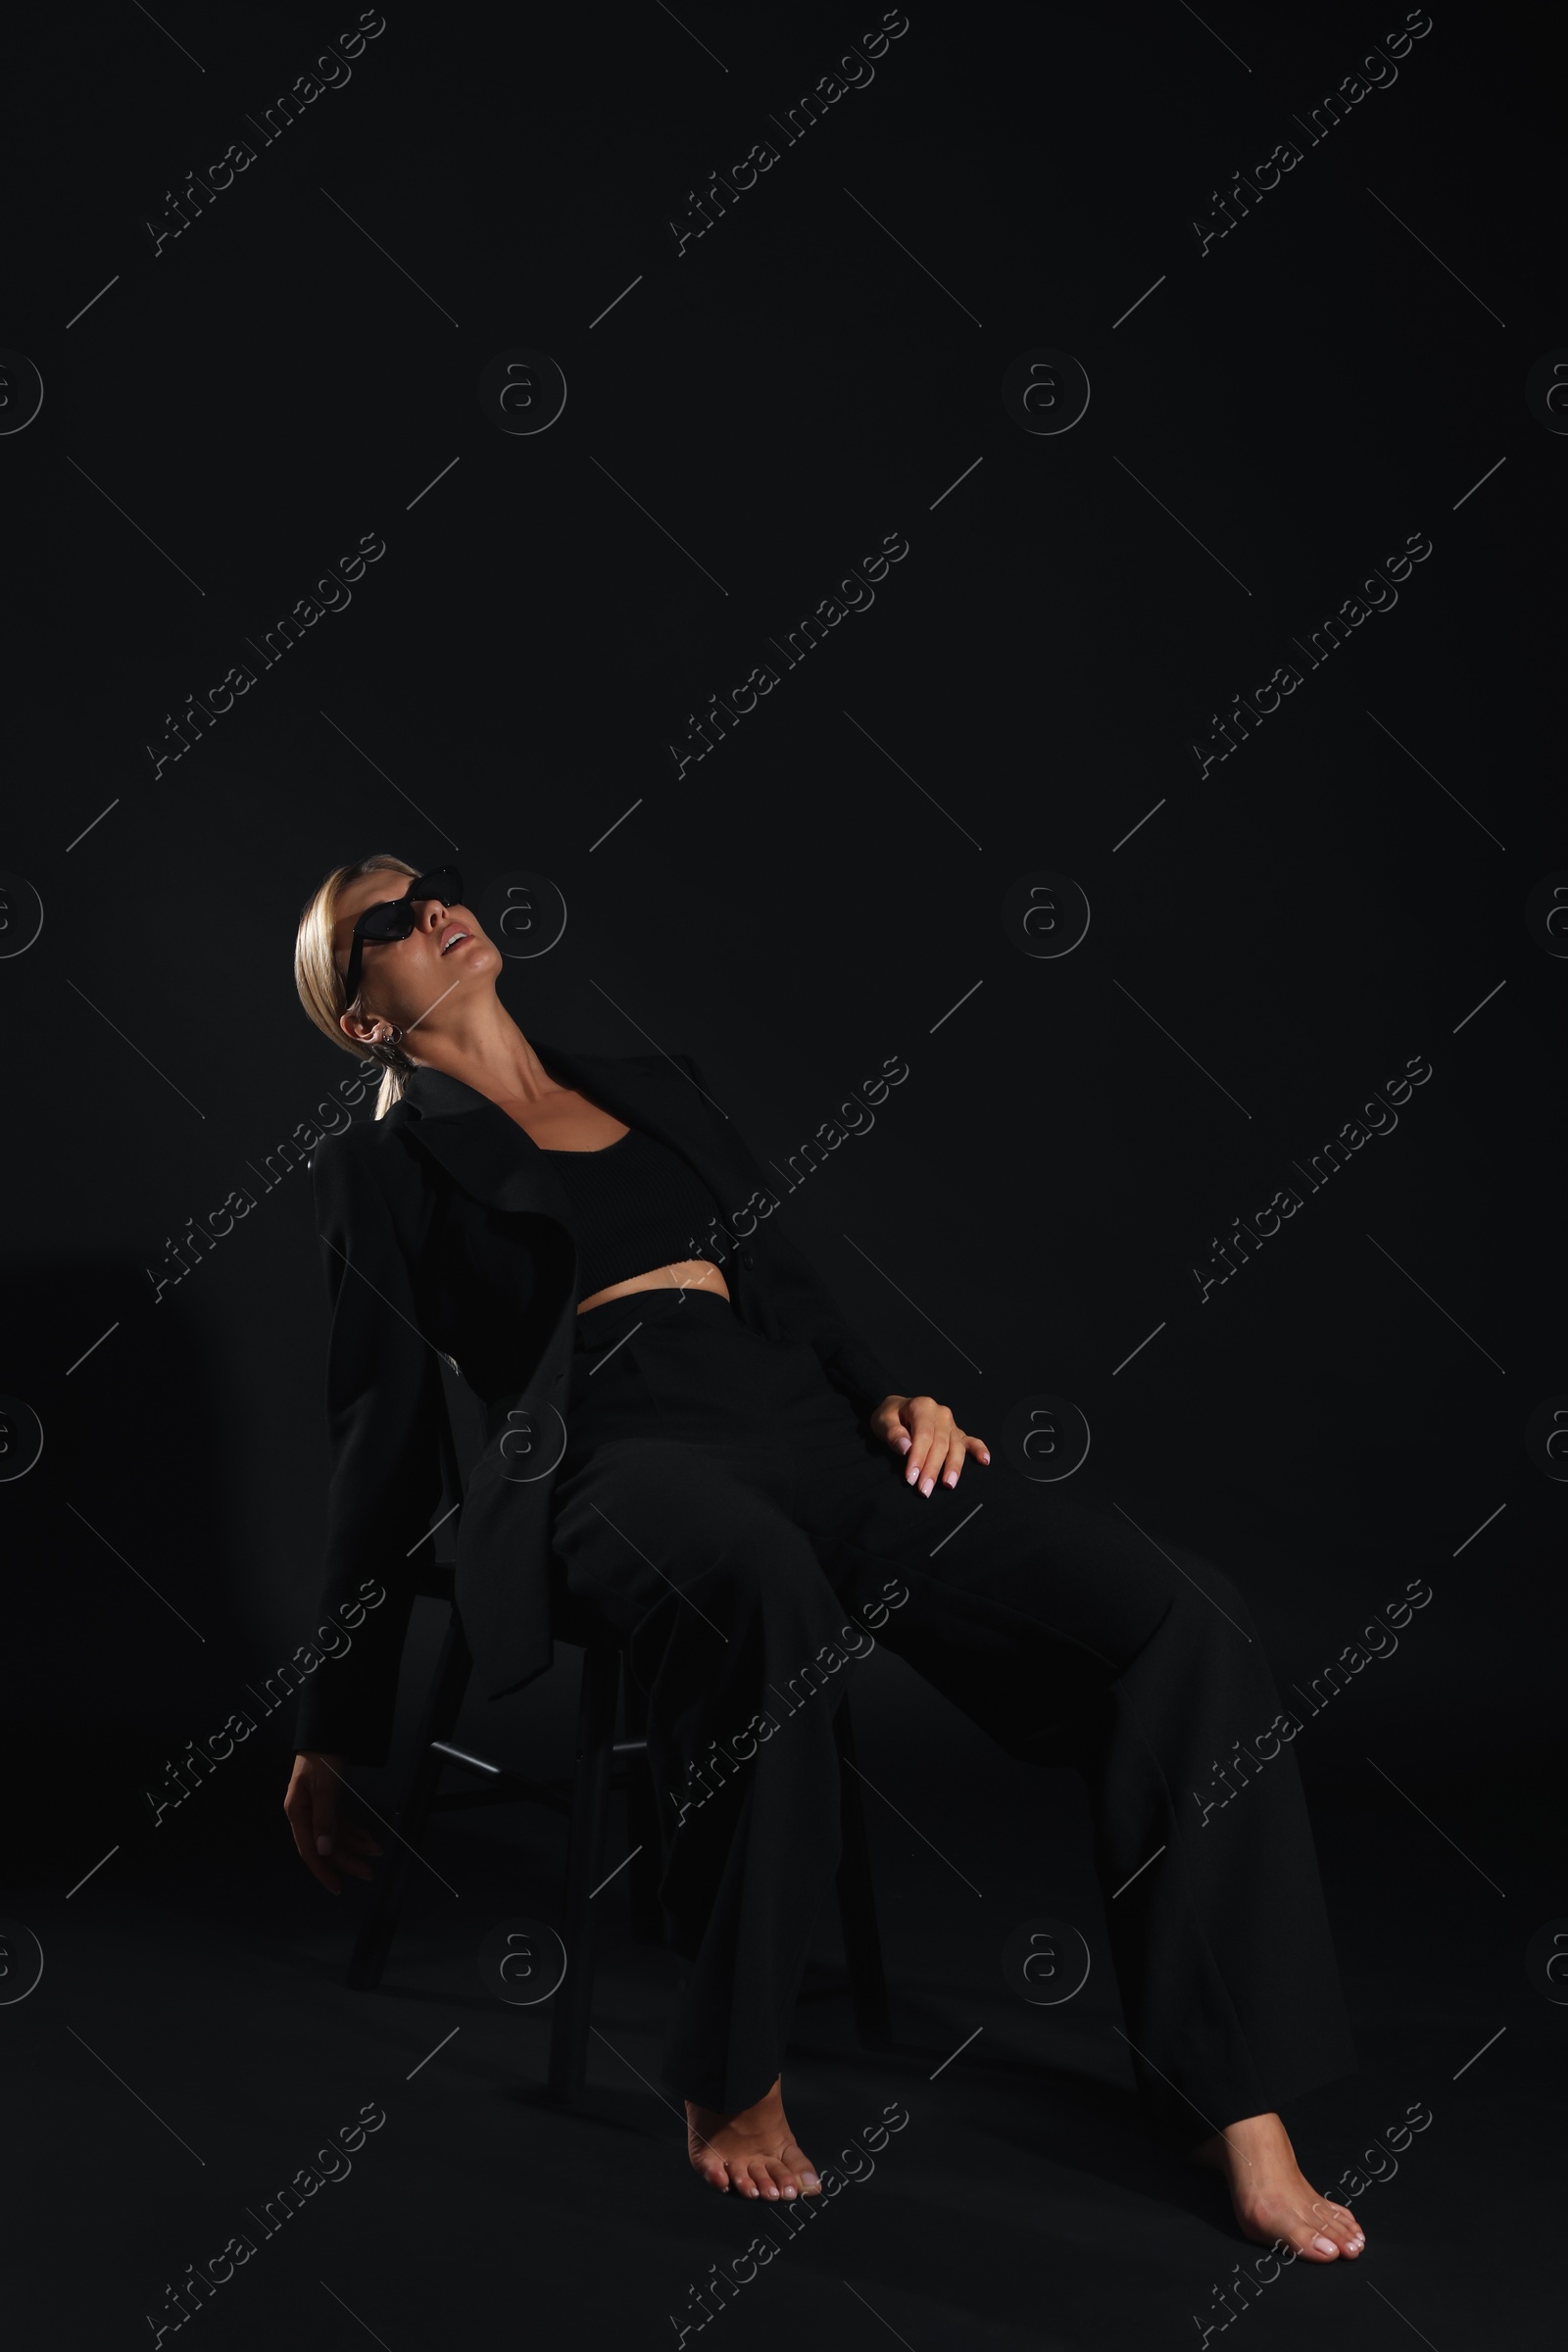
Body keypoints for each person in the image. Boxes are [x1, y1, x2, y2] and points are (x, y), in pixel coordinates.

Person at [283, 854, 1365, 2262]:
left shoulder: (650, 1082)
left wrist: (888, 1392)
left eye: (436, 887)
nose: (434, 910)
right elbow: (374, 1429)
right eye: (386, 921)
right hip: (611, 1451)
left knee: (1176, 1616)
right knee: (756, 1579)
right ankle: (733, 2077)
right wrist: (333, 1725)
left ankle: (1237, 2099)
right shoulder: (382, 1165)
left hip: (794, 1420)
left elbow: (782, 1274)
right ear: (359, 1012)